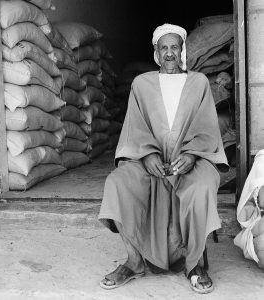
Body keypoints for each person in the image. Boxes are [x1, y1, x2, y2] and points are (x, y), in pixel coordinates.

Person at [98, 23, 229, 294]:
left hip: (190, 161)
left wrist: (192, 155)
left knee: (202, 187)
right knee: (118, 183)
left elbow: (207, 128)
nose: (169, 53)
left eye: (174, 47)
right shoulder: (141, 84)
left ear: (182, 51)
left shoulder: (199, 82)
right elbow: (134, 126)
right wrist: (146, 155)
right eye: (164, 48)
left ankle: (194, 266)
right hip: (151, 162)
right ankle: (134, 262)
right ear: (156, 53)